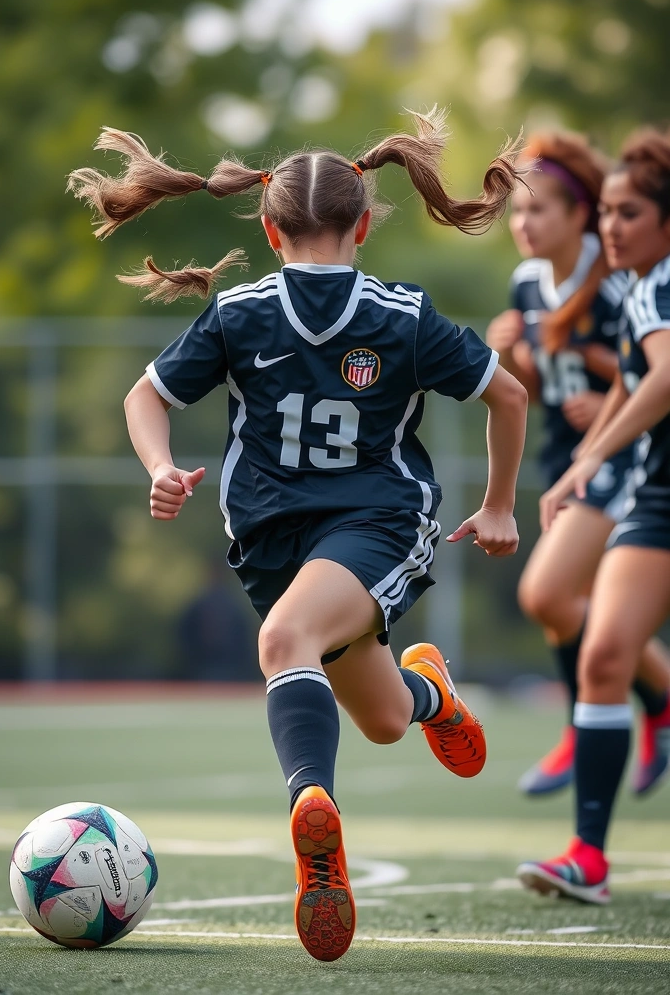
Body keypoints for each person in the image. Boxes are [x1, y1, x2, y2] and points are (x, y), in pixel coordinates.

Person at [68, 109, 528, 960]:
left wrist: (159, 468)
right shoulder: (351, 312)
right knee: (387, 718)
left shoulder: (313, 312)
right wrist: (499, 501)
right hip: (275, 544)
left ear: (270, 229)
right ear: (361, 223)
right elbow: (511, 395)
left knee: (285, 641)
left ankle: (312, 815)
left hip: (377, 522)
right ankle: (433, 693)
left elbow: (141, 401)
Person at [486, 132, 670, 798]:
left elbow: (642, 370)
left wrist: (605, 398)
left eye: (538, 210)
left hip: (626, 459)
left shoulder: (619, 277)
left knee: (549, 594)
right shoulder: (527, 282)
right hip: (566, 458)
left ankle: (595, 721)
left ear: (578, 213)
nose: (523, 224)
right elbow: (537, 391)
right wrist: (513, 359)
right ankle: (646, 705)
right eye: (516, 212)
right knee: (571, 604)